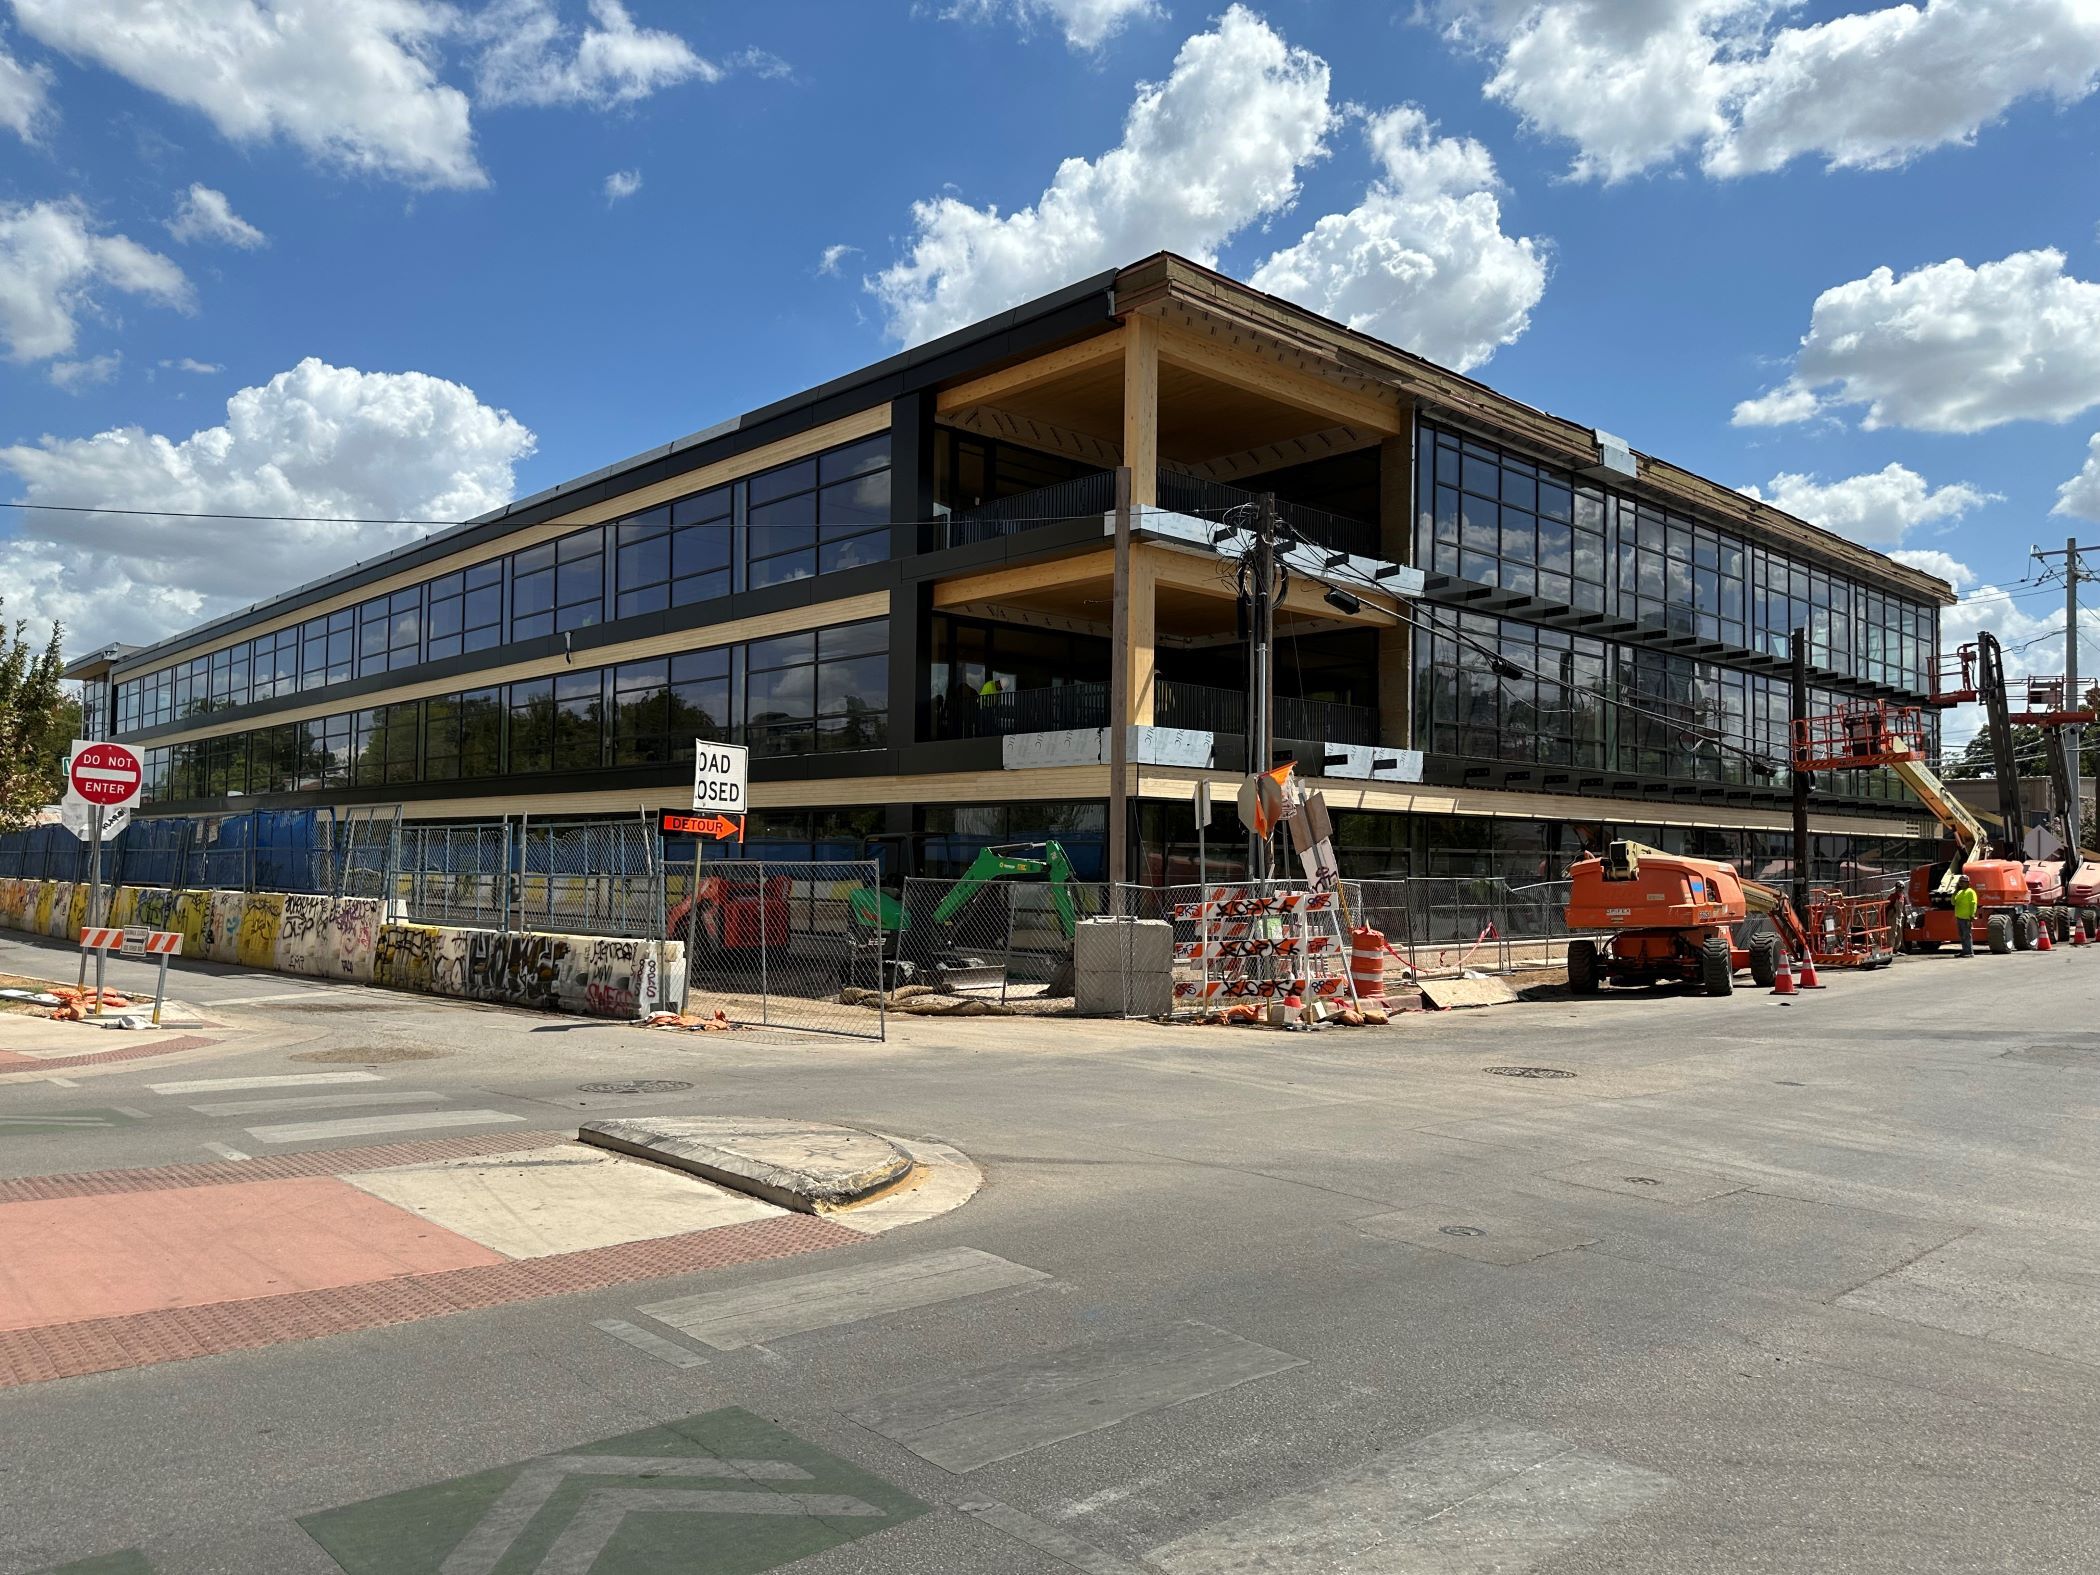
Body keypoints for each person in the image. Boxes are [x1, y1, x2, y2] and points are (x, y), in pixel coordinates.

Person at [1952, 873, 1978, 956]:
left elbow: (1973, 904)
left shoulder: (1971, 892)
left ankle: (1969, 952)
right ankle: (1965, 951)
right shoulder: (1959, 892)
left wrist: (1972, 915)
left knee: (1966, 935)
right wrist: (1955, 892)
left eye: (1963, 882)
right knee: (1962, 935)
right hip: (1959, 917)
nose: (1961, 883)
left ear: (1968, 883)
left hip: (1966, 918)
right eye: (1960, 882)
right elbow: (1953, 902)